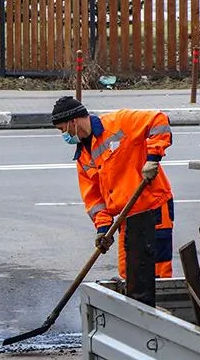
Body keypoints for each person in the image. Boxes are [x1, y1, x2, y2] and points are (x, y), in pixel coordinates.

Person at [51, 96, 174, 307]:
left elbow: (159, 120)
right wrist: (103, 230)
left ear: (74, 121)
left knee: (156, 271)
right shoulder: (83, 158)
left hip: (153, 207)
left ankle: (163, 316)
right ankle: (139, 317)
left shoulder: (119, 122)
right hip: (127, 218)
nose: (65, 135)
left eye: (64, 129)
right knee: (130, 274)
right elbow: (95, 201)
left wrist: (153, 158)